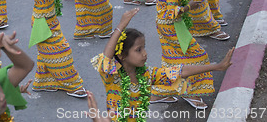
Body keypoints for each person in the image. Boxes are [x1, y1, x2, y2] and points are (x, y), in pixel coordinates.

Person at [91, 8, 234, 119]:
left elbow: (180, 71)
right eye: (138, 50)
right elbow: (106, 58)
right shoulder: (112, 76)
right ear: (122, 56)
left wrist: (217, 67)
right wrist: (121, 26)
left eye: (144, 47)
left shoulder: (147, 75)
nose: (145, 53)